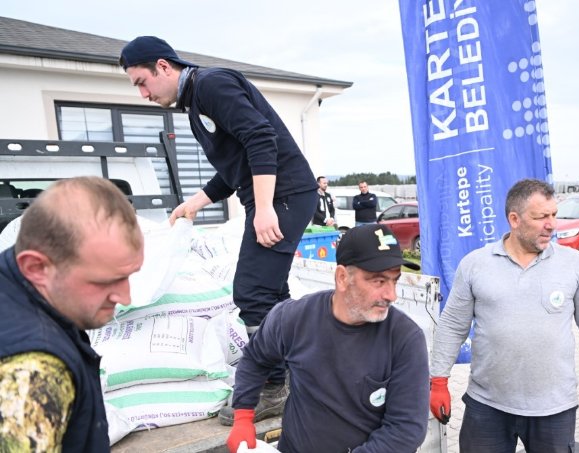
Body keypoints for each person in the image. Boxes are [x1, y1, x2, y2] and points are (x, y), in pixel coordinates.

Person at [120, 36, 319, 423]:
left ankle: (275, 388)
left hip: (285, 195)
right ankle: (300, 371)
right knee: (273, 292)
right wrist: (195, 202)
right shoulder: (196, 103)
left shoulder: (211, 84)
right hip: (278, 196)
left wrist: (263, 209)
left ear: (163, 66)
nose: (142, 93)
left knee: (251, 292)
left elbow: (261, 138)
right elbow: (236, 165)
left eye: (141, 82)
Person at [429, 178, 579, 453]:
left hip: (554, 408)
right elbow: (452, 326)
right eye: (541, 217)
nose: (552, 224)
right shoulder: (476, 264)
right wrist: (438, 380)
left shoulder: (573, 264)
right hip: (487, 406)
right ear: (514, 219)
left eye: (554, 215)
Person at [225, 224, 429, 453]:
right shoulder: (294, 318)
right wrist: (243, 417)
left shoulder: (404, 339)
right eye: (378, 281)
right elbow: (255, 358)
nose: (391, 295)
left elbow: (405, 430)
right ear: (342, 278)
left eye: (395, 280)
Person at [0, 177, 144, 452]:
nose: (124, 297)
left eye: (127, 276)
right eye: (104, 281)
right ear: (36, 267)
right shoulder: (35, 371)